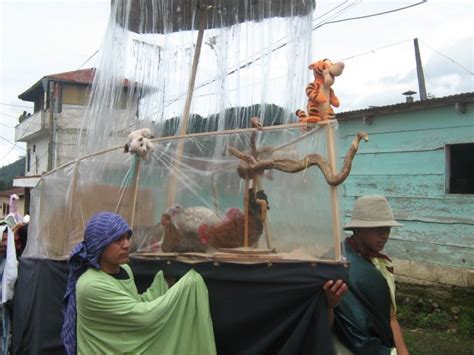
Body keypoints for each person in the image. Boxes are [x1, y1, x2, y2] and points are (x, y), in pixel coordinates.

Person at [61, 211, 216, 355]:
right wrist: (189, 284)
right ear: (98, 246)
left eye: (127, 237)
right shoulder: (90, 285)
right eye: (118, 240)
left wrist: (163, 283)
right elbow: (144, 316)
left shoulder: (124, 270)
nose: (127, 244)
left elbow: (132, 304)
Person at [333, 195, 409, 355]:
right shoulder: (337, 263)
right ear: (358, 229)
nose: (385, 235)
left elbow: (391, 318)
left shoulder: (382, 265)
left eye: (387, 228)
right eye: (378, 228)